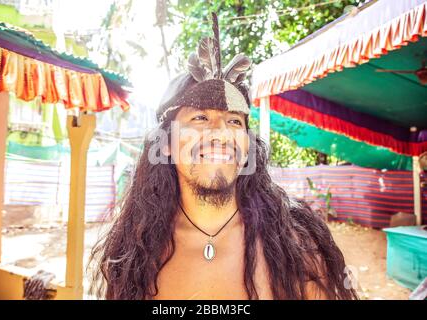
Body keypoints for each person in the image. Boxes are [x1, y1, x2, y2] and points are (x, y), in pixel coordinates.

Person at [89, 13, 358, 300]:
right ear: (165, 142)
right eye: (201, 117)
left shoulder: (296, 244)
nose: (220, 134)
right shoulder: (135, 251)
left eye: (233, 121)